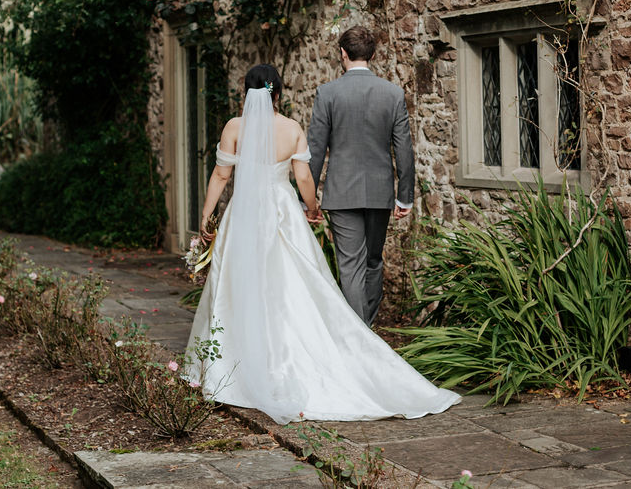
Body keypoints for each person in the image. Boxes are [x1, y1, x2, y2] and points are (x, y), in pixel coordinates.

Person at [184, 64, 460, 425]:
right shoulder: (291, 129)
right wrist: (312, 208)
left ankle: (230, 365)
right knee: (293, 283)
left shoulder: (234, 128)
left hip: (244, 214)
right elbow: (302, 177)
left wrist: (207, 216)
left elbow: (222, 174)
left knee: (238, 283)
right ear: (278, 93)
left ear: (245, 93)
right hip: (282, 211)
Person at [306, 26, 414, 326]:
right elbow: (404, 148)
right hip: (380, 193)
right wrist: (405, 196)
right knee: (373, 261)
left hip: (341, 194)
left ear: (343, 53)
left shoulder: (327, 93)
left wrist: (308, 199)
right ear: (374, 55)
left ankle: (359, 338)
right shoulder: (392, 93)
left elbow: (315, 149)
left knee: (350, 266)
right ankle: (366, 332)